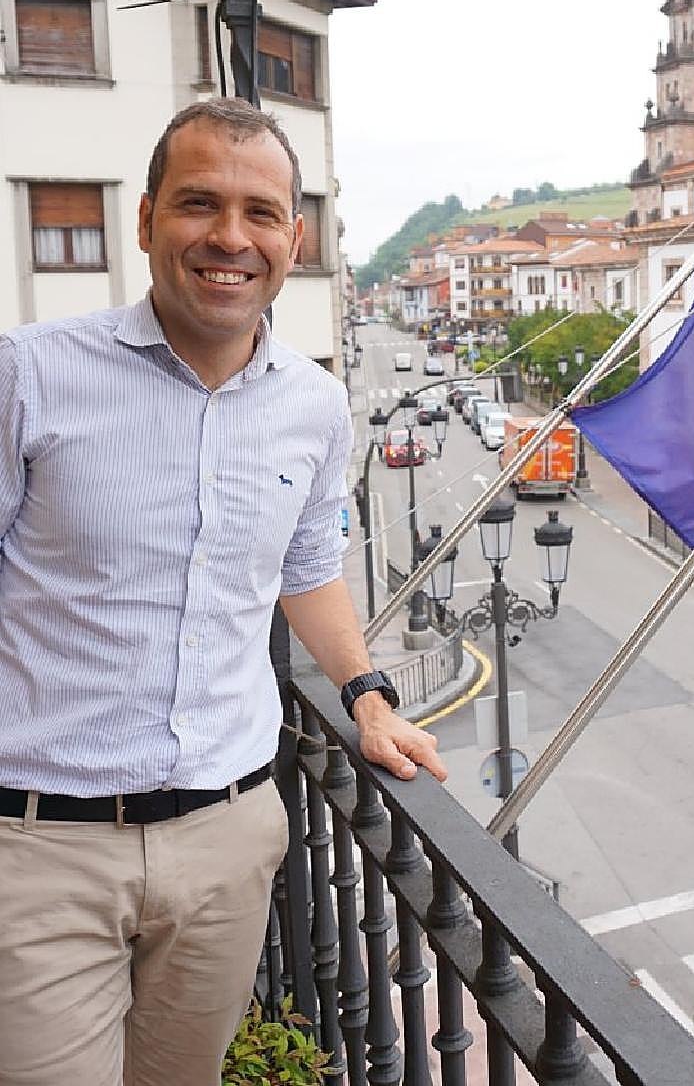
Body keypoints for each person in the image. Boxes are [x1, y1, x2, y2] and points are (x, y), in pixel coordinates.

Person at [0, 98, 446, 1085]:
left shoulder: (317, 405)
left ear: (295, 237)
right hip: (40, 848)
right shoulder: (29, 374)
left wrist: (367, 695)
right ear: (149, 217)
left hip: (228, 837)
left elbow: (307, 569)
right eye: (199, 203)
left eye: (259, 212)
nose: (229, 237)